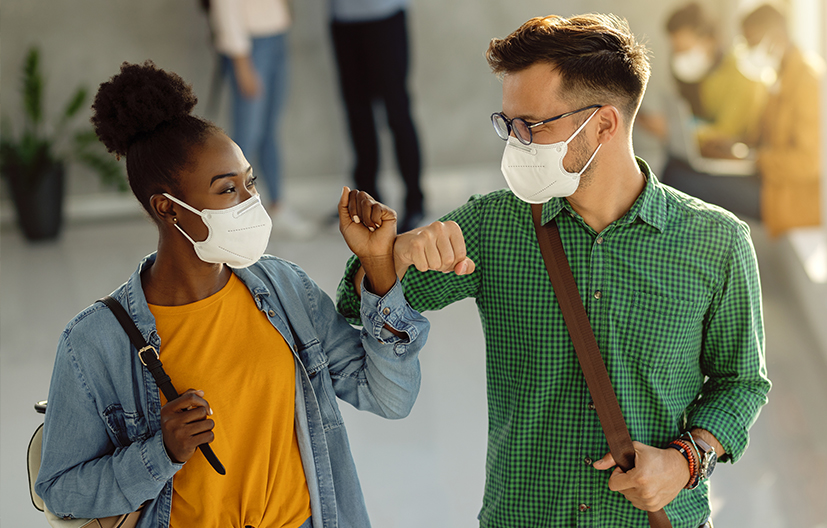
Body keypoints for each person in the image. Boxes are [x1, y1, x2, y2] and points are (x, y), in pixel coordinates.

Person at [337, 14, 769, 527]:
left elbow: (741, 382)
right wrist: (395, 254)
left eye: (531, 126)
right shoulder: (492, 224)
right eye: (507, 125)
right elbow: (357, 302)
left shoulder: (715, 242)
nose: (515, 143)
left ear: (604, 124)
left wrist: (686, 461)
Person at [34, 61, 429, 528]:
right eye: (227, 190)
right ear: (168, 209)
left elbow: (391, 398)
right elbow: (61, 492)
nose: (250, 202)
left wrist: (379, 266)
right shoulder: (93, 341)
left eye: (250, 183)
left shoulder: (285, 290)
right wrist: (160, 452)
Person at [662, 3, 823, 236]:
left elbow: (811, 163)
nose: (746, 50)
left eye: (753, 42)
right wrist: (738, 148)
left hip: (788, 197)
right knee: (676, 167)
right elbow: (763, 140)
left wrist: (754, 158)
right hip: (765, 179)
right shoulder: (778, 77)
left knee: (678, 180)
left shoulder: (810, 81)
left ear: (776, 36)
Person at [209, 0, 315, 238]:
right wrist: (240, 59)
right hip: (249, 44)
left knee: (268, 131)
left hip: (275, 35)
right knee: (246, 137)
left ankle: (277, 205)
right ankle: (231, 218)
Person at [329, 0, 425, 232]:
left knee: (397, 112)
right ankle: (366, 202)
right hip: (342, 19)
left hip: (385, 16)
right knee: (357, 114)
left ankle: (415, 202)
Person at [664, 2, 767, 157]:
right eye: (676, 51)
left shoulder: (741, 74)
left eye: (684, 49)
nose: (679, 57)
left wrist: (674, 129)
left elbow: (726, 134)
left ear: (709, 40)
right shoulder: (702, 75)